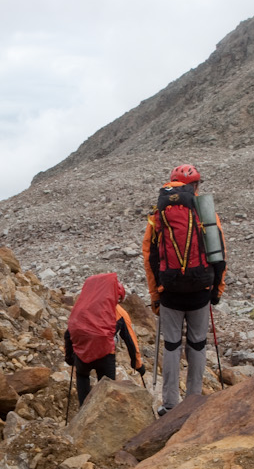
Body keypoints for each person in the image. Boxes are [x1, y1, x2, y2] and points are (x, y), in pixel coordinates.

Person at [142, 163, 226, 413]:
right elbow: (219, 253)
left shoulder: (158, 214)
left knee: (171, 345)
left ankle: (169, 404)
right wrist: (216, 289)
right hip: (201, 290)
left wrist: (156, 294)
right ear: (196, 186)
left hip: (170, 292)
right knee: (198, 343)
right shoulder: (205, 211)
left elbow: (150, 258)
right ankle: (194, 401)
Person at [64, 272, 144, 405]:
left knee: (82, 376)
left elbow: (69, 333)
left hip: (82, 355)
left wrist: (69, 358)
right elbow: (130, 340)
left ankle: (83, 411)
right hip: (105, 355)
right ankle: (103, 413)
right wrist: (138, 365)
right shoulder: (119, 312)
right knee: (106, 391)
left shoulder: (83, 308)